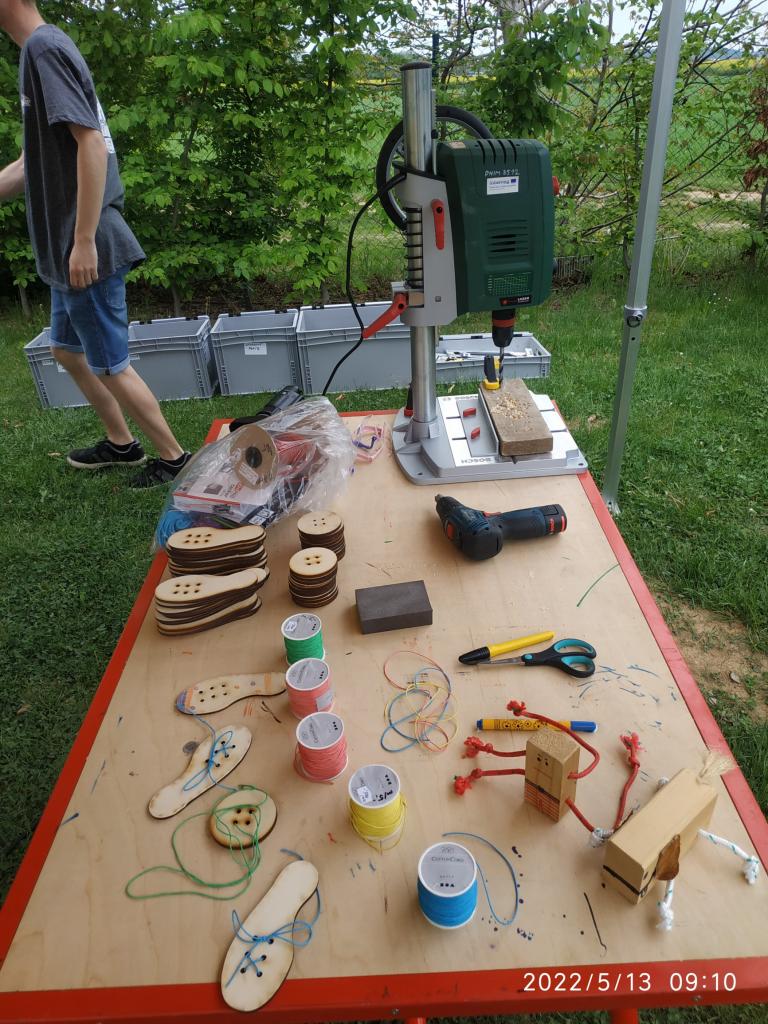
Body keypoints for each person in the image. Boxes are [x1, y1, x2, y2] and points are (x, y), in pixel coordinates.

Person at [0, 0, 191, 486]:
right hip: (66, 248)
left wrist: (84, 240)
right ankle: (121, 443)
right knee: (66, 350)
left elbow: (91, 143)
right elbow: (28, 164)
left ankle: (174, 458)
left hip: (84, 246)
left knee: (110, 364)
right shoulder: (37, 51)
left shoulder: (45, 48)